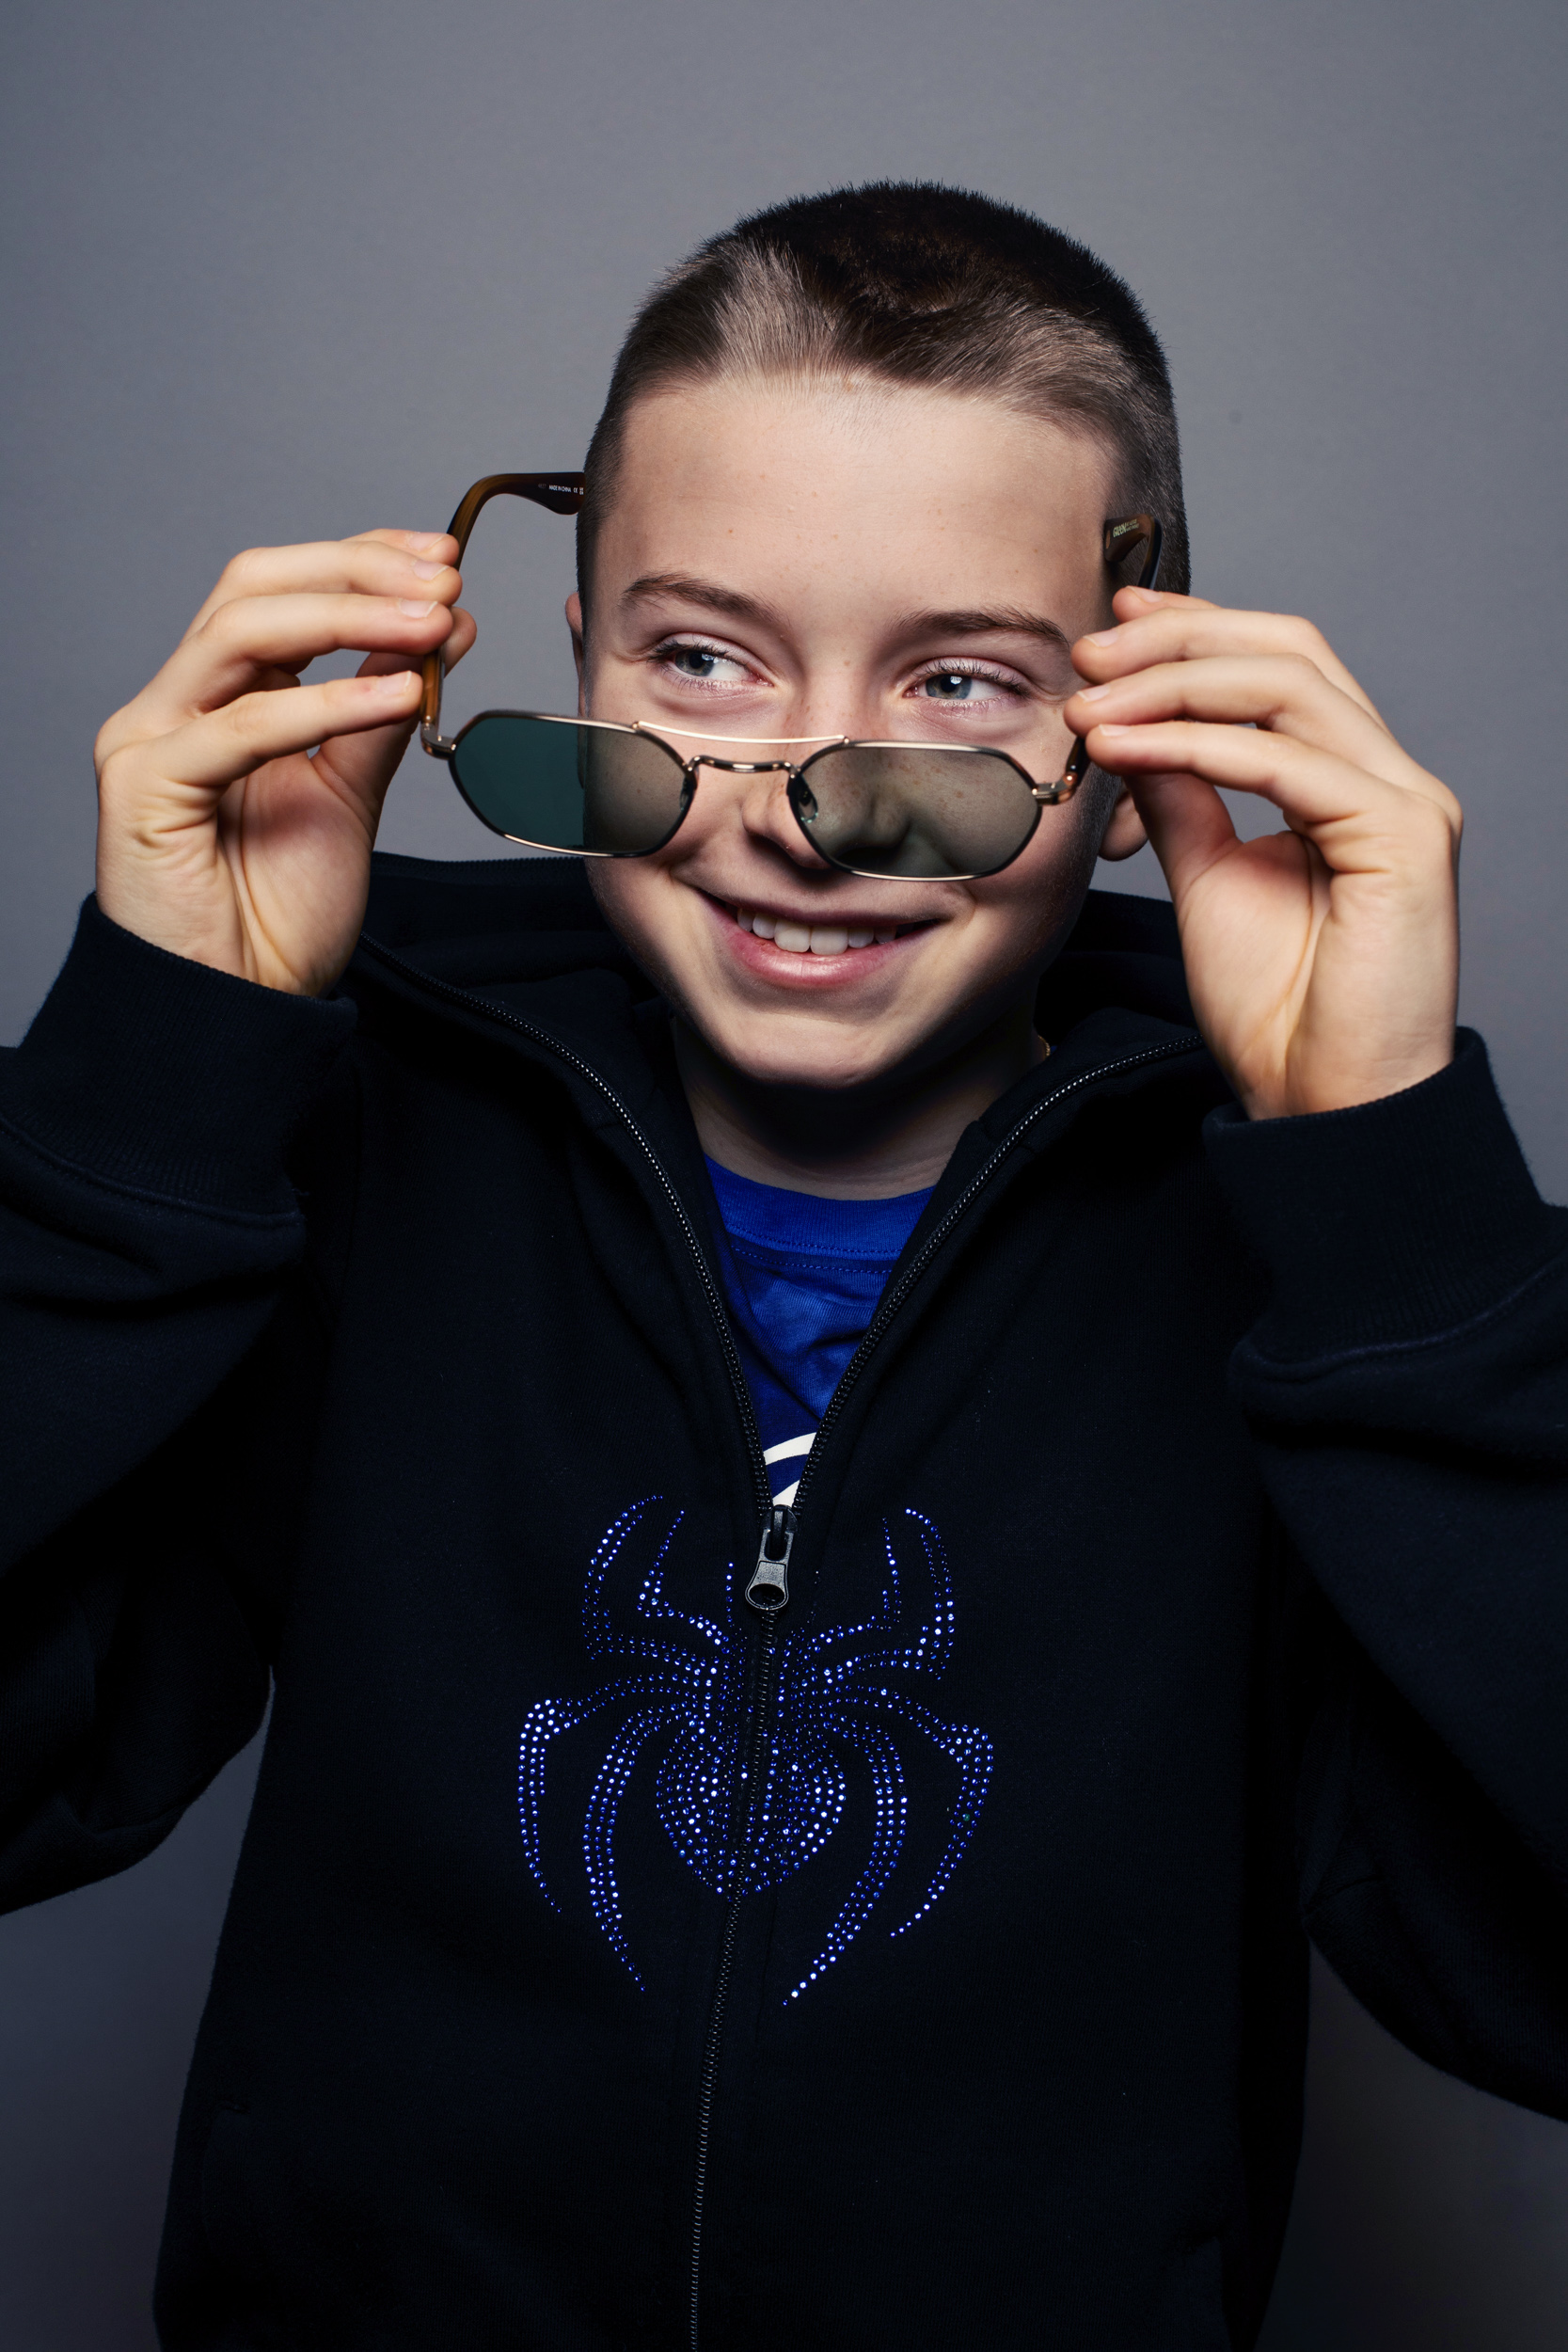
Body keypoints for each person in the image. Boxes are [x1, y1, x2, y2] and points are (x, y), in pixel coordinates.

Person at [2, 181, 1564, 2352]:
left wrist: (1392, 1187)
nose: (799, 803)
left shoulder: (1300, 1249)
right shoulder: (359, 1131)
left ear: (1138, 740)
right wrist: (145, 1090)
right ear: (571, 658)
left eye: (959, 681)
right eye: (704, 657)